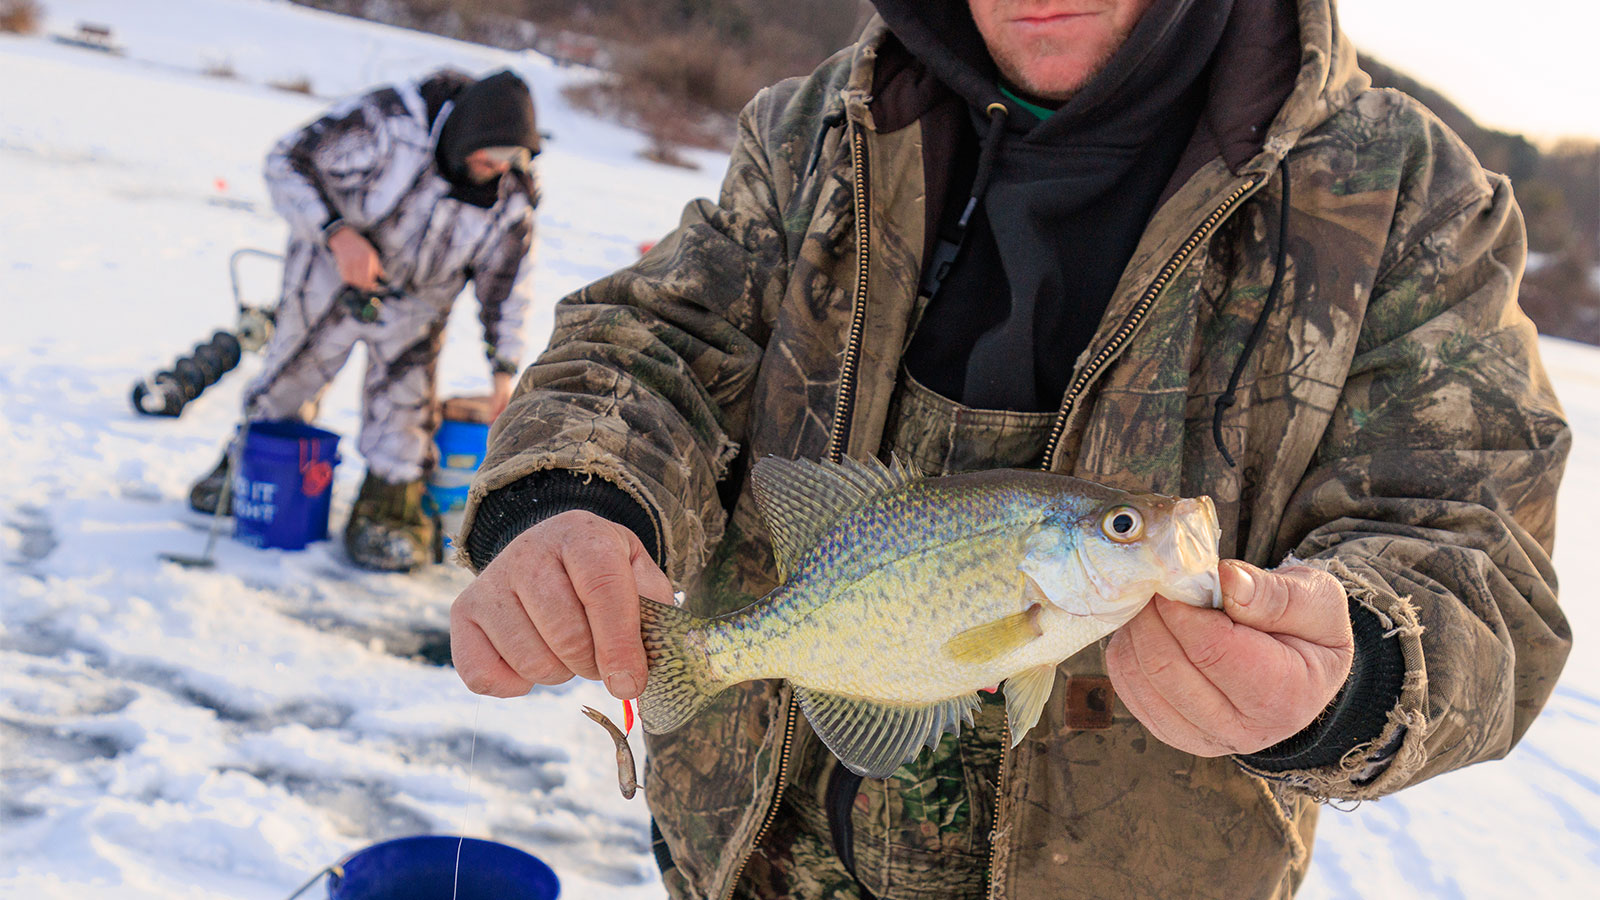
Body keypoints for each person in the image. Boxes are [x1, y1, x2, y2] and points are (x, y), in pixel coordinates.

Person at [448, 1, 1572, 897]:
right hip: (735, 862)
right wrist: (569, 491)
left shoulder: (1411, 199)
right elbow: (657, 340)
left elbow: (1477, 554)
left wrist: (1353, 673)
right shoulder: (813, 131)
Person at [188, 68, 540, 573]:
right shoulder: (388, 120)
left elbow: (508, 285)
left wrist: (504, 367)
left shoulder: (513, 196)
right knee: (286, 384)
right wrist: (337, 234)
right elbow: (286, 161)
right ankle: (244, 476)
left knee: (403, 415)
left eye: (512, 158)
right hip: (332, 273)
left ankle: (387, 515)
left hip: (419, 304)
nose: (497, 167)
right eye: (492, 153)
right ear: (467, 133)